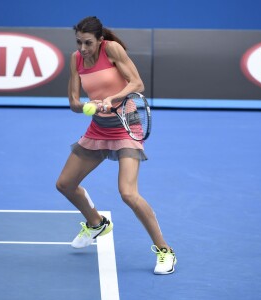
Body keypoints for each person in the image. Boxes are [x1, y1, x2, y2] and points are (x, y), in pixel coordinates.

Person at [56, 16, 176, 275]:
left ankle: (165, 251)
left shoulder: (112, 49)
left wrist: (113, 97)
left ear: (100, 40)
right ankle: (96, 223)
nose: (83, 48)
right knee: (64, 184)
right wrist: (82, 106)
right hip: (99, 126)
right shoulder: (76, 59)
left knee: (128, 193)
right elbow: (74, 102)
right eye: (79, 42)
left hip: (126, 124)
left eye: (88, 43)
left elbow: (138, 84)